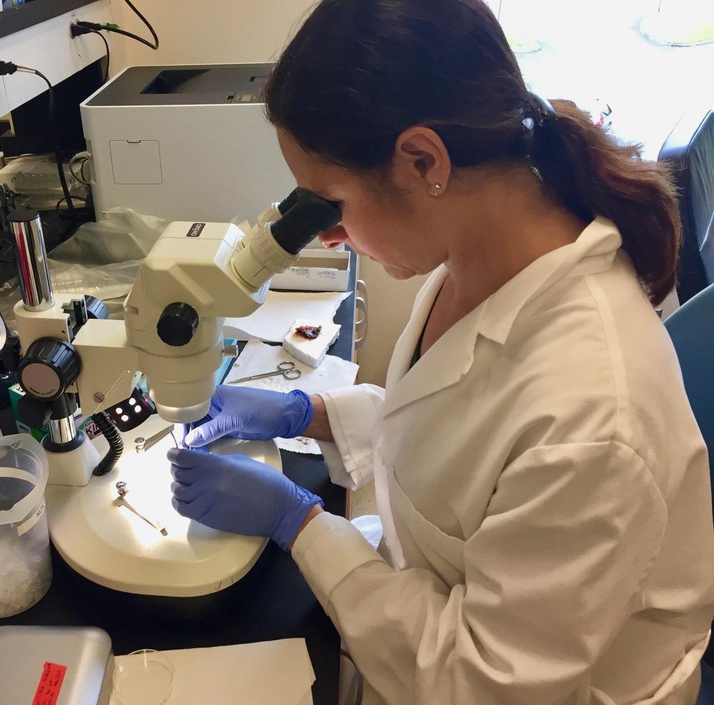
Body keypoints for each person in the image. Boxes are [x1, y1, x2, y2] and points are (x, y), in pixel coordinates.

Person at [166, 1, 714, 703]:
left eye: (328, 202)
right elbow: (453, 431)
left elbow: (476, 680)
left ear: (422, 160)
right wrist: (305, 413)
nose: (327, 237)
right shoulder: (484, 261)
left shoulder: (594, 414)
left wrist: (298, 522)